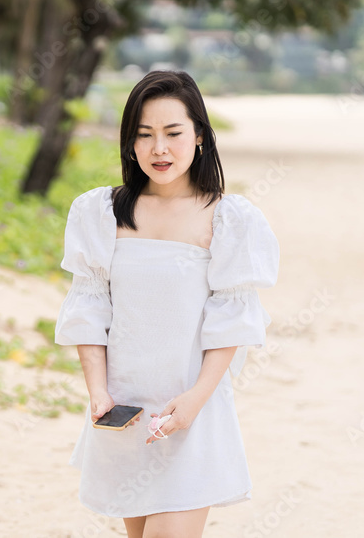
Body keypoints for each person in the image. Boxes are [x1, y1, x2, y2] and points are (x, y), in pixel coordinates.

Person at [55, 70, 280, 538]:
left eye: (173, 133)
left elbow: (231, 322)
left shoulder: (226, 218)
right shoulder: (101, 213)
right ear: (129, 143)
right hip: (127, 412)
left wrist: (196, 400)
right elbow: (90, 308)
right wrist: (98, 392)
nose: (159, 148)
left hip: (191, 411)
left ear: (199, 136)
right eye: (144, 135)